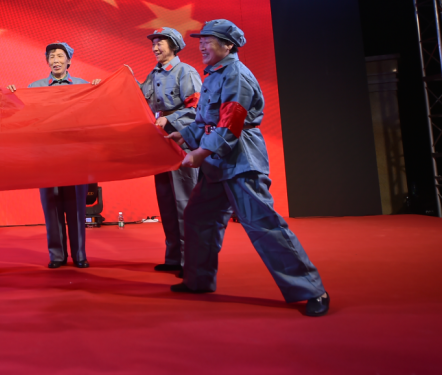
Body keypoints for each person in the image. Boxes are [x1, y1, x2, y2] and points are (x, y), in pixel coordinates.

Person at [167, 19, 330, 316]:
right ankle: (198, 281)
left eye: (208, 40)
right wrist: (184, 135)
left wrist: (200, 153)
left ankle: (312, 290)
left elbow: (231, 122)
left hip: (241, 161)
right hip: (217, 164)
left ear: (228, 45)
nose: (202, 45)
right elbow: (204, 121)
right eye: (201, 40)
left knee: (264, 225)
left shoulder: (237, 75)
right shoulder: (214, 74)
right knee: (199, 218)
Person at [7, 42, 101, 269]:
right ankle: (57, 255)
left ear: (69, 60)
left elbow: (94, 114)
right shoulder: (35, 87)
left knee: (76, 207)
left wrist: (99, 90)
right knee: (52, 206)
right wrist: (12, 96)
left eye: (60, 55)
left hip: (75, 156)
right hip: (46, 156)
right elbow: (24, 117)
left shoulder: (82, 85)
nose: (55, 60)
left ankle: (79, 255)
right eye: (51, 56)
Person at [136, 28, 202, 275]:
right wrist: (126, 80)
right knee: (166, 202)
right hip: (161, 142)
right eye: (153, 43)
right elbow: (140, 99)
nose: (155, 47)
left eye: (160, 42)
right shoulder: (153, 74)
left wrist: (170, 118)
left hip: (181, 141)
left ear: (174, 46)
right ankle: (174, 257)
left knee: (184, 202)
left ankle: (190, 261)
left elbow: (197, 108)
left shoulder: (186, 72)